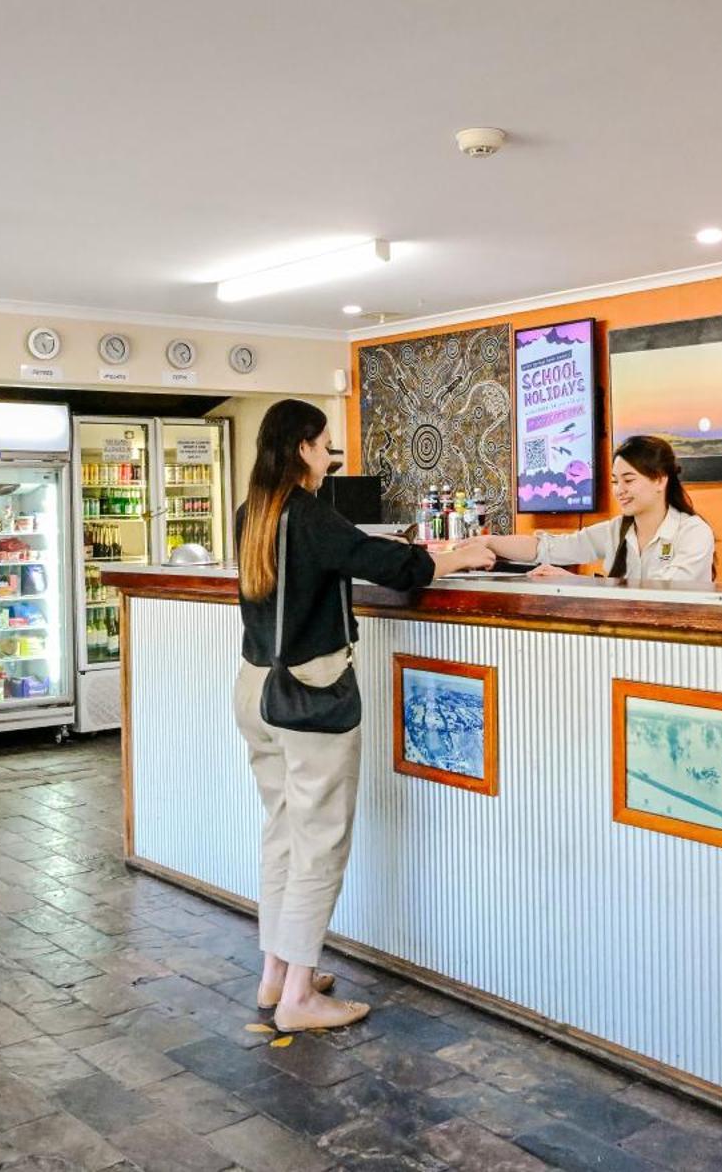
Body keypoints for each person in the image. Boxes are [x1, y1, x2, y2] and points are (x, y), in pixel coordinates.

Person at [233, 398, 492, 1032]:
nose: (329, 459)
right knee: (320, 843)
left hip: (255, 686)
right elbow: (397, 565)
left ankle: (275, 973)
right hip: (309, 690)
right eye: (326, 448)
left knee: (284, 831)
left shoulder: (252, 514)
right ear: (302, 450)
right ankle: (298, 996)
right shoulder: (311, 517)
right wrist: (459, 556)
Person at [480, 434, 715, 582]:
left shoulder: (693, 532)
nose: (619, 490)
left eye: (629, 480)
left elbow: (664, 596)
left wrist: (579, 584)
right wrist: (488, 542)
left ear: (660, 480)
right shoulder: (616, 530)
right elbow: (549, 548)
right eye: (615, 481)